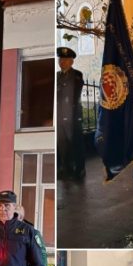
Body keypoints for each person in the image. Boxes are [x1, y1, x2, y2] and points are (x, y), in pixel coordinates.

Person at [56, 46, 85, 180]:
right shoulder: (56, 76)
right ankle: (65, 168)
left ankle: (79, 169)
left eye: (66, 59)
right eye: (61, 59)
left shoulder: (77, 75)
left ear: (71, 62)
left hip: (73, 116)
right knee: (62, 145)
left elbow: (74, 93)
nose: (62, 62)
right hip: (60, 116)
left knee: (76, 143)